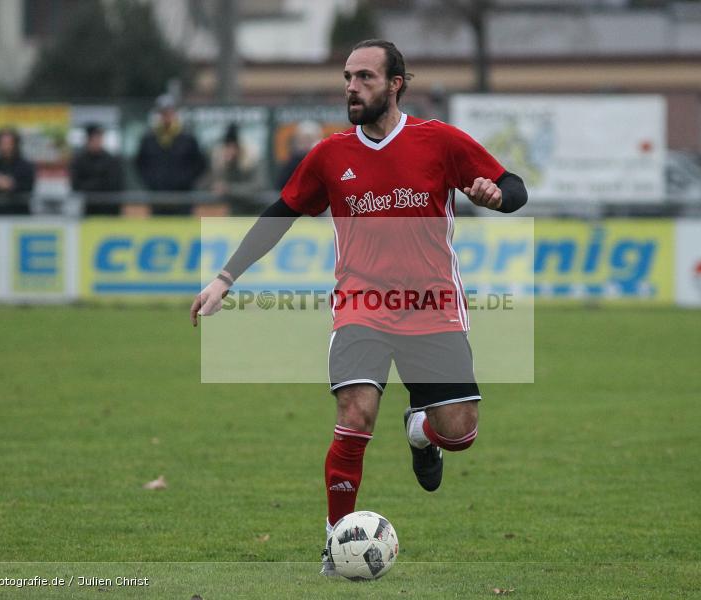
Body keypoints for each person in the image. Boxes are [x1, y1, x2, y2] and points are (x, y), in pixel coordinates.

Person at [189, 39, 527, 575]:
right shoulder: (330, 154)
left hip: (433, 306)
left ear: (395, 84)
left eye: (365, 77)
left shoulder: (439, 141)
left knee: (460, 431)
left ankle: (421, 432)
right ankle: (335, 541)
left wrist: (497, 196)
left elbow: (513, 185)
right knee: (355, 414)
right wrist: (225, 278)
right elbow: (281, 212)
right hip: (361, 305)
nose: (351, 87)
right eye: (347, 77)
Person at [134, 94, 207, 215]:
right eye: (163, 113)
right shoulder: (148, 139)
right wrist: (152, 182)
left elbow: (200, 164)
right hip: (157, 197)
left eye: (170, 112)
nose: (167, 116)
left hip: (183, 197)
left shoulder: (188, 138)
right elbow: (140, 164)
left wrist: (185, 181)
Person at [70, 123, 125, 215]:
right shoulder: (79, 161)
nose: (98, 141)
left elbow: (115, 185)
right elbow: (76, 185)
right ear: (88, 140)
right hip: (88, 210)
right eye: (95, 139)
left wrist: (92, 184)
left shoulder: (111, 160)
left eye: (100, 138)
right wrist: (99, 183)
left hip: (109, 210)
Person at [0, 127, 36, 215]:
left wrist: (11, 185)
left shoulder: (25, 166)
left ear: (15, 144)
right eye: (2, 143)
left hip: (20, 213)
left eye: (9, 143)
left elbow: (29, 187)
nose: (6, 147)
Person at [274, 120, 323, 189]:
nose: (306, 143)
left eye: (309, 139)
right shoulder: (292, 162)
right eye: (303, 139)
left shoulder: (324, 161)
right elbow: (281, 184)